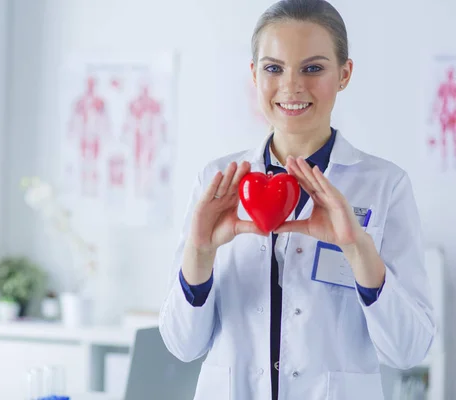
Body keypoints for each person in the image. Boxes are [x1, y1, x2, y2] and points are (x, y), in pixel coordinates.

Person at [158, 1, 435, 399]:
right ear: (254, 75)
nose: (292, 86)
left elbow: (409, 349)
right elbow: (182, 345)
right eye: (274, 68)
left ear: (344, 74)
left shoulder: (385, 185)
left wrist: (359, 251)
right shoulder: (216, 183)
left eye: (313, 68)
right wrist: (199, 254)